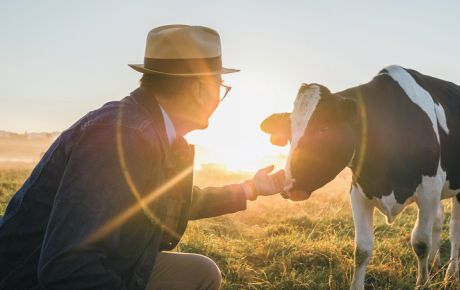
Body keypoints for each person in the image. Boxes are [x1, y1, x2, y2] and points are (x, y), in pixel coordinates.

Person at [0, 24, 285, 290]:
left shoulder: (152, 131)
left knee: (201, 272)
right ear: (199, 89)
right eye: (219, 87)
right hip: (27, 279)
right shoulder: (120, 136)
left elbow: (171, 201)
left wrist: (251, 188)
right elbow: (66, 266)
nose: (219, 98)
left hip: (109, 260)